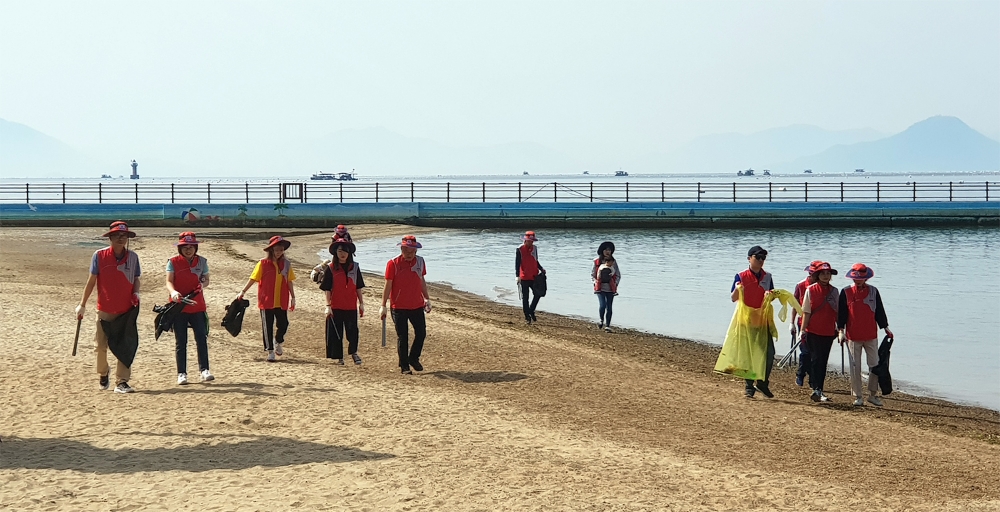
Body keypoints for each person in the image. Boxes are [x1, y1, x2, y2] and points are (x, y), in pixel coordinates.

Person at [75, 221, 142, 393]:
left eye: (124, 235)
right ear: (110, 237)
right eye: (117, 235)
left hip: (126, 310)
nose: (121, 239)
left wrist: (136, 293)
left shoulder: (133, 257)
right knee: (100, 346)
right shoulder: (99, 255)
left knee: (125, 346)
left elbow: (136, 279)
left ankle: (122, 381)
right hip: (104, 308)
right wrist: (82, 305)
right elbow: (91, 282)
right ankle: (103, 373)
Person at [837, 263, 893, 407]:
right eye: (856, 278)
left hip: (871, 335)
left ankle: (873, 395)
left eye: (861, 278)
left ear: (866, 278)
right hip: (853, 336)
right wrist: (840, 331)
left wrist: (886, 327)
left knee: (874, 365)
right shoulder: (846, 292)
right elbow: (841, 314)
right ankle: (858, 396)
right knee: (855, 367)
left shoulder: (874, 291)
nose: (858, 280)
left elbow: (879, 311)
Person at [237, 236, 296, 362]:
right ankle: (270, 351)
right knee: (267, 326)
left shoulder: (286, 264)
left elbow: (290, 281)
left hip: (282, 300)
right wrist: (243, 291)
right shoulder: (263, 263)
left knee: (284, 324)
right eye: (276, 249)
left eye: (281, 250)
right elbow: (253, 278)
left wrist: (293, 297)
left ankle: (278, 341)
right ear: (271, 250)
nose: (279, 252)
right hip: (267, 300)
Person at [165, 232, 213, 385]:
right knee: (181, 341)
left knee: (201, 338)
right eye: (185, 247)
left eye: (191, 247)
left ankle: (204, 370)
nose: (188, 250)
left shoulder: (202, 262)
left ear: (195, 247)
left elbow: (206, 280)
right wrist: (173, 292)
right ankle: (181, 373)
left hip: (197, 305)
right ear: (180, 248)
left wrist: (202, 284)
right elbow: (168, 281)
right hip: (179, 306)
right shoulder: (172, 262)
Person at [380, 235, 431, 375]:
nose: (409, 253)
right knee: (403, 336)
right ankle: (404, 366)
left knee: (421, 333)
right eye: (406, 250)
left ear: (416, 251)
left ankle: (413, 358)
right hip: (398, 307)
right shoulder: (393, 263)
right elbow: (388, 284)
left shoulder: (420, 262)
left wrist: (427, 298)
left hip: (416, 305)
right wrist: (383, 305)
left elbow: (421, 281)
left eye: (412, 251)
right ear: (401, 249)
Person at [729, 245, 776, 398]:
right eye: (758, 257)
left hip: (763, 321)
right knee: (748, 354)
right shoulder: (741, 275)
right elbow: (733, 298)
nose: (761, 260)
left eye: (763, 258)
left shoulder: (767, 276)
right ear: (749, 258)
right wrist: (738, 288)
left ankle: (762, 383)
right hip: (746, 321)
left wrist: (772, 295)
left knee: (769, 354)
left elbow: (772, 296)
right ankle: (749, 386)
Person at [319, 237, 366, 365]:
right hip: (335, 306)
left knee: (353, 332)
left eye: (345, 251)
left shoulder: (355, 267)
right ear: (335, 252)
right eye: (340, 251)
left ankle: (354, 353)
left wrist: (361, 304)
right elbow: (327, 289)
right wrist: (328, 305)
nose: (342, 254)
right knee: (335, 333)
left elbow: (358, 287)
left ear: (349, 253)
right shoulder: (330, 268)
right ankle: (339, 357)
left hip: (351, 306)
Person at [799, 262, 839, 402]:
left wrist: (840, 330)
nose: (826, 276)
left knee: (823, 361)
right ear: (817, 275)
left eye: (828, 274)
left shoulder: (835, 291)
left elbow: (837, 313)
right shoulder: (810, 290)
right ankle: (816, 388)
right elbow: (806, 312)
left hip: (829, 332)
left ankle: (819, 389)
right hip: (813, 331)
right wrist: (802, 330)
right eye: (823, 273)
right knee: (815, 359)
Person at [791, 260, 824, 387]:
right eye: (810, 273)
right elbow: (794, 305)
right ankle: (800, 374)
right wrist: (792, 323)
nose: (811, 276)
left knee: (814, 354)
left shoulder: (822, 287)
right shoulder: (800, 285)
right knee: (805, 351)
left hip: (818, 324)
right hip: (803, 322)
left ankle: (812, 379)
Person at [516, 231, 545, 324]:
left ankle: (531, 310)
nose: (531, 243)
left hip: (534, 276)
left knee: (538, 294)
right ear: (525, 240)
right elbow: (517, 263)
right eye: (529, 241)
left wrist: (541, 268)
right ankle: (527, 315)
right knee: (525, 297)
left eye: (532, 241)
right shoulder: (519, 249)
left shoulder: (535, 249)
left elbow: (536, 261)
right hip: (524, 276)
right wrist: (517, 276)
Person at [591, 241, 621, 332]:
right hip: (600, 288)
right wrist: (595, 282)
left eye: (609, 250)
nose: (608, 251)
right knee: (602, 305)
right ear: (602, 251)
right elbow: (593, 274)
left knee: (609, 306)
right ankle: (601, 320)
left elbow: (618, 274)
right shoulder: (596, 261)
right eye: (606, 250)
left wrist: (615, 284)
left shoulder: (613, 262)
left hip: (611, 288)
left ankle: (608, 325)